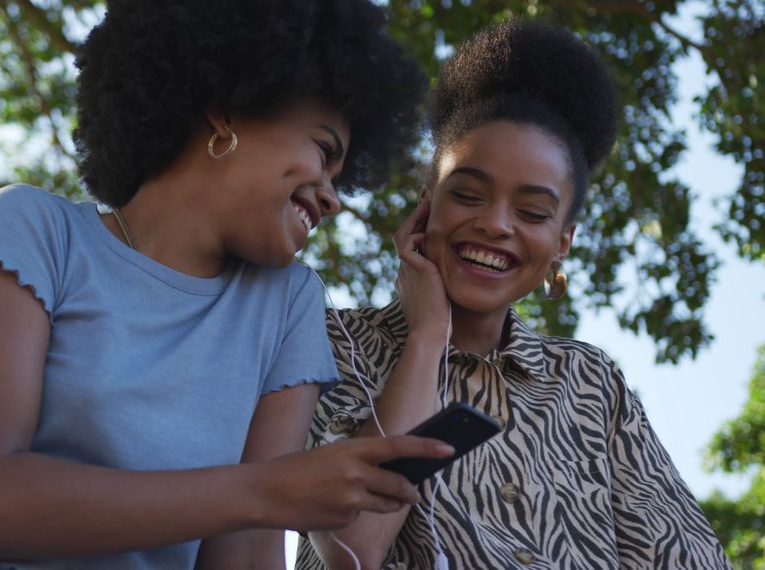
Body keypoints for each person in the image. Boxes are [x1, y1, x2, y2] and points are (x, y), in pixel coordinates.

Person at [0, 1, 454, 569]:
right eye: (323, 152)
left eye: (339, 176)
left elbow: (242, 555)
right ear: (227, 110)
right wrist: (268, 490)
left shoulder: (287, 302)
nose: (330, 195)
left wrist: (273, 496)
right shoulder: (34, 229)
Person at [296, 20, 732, 570]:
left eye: (531, 212)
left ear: (561, 245)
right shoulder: (330, 344)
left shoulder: (591, 384)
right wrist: (428, 337)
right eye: (469, 194)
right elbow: (355, 547)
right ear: (425, 206)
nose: (495, 224)